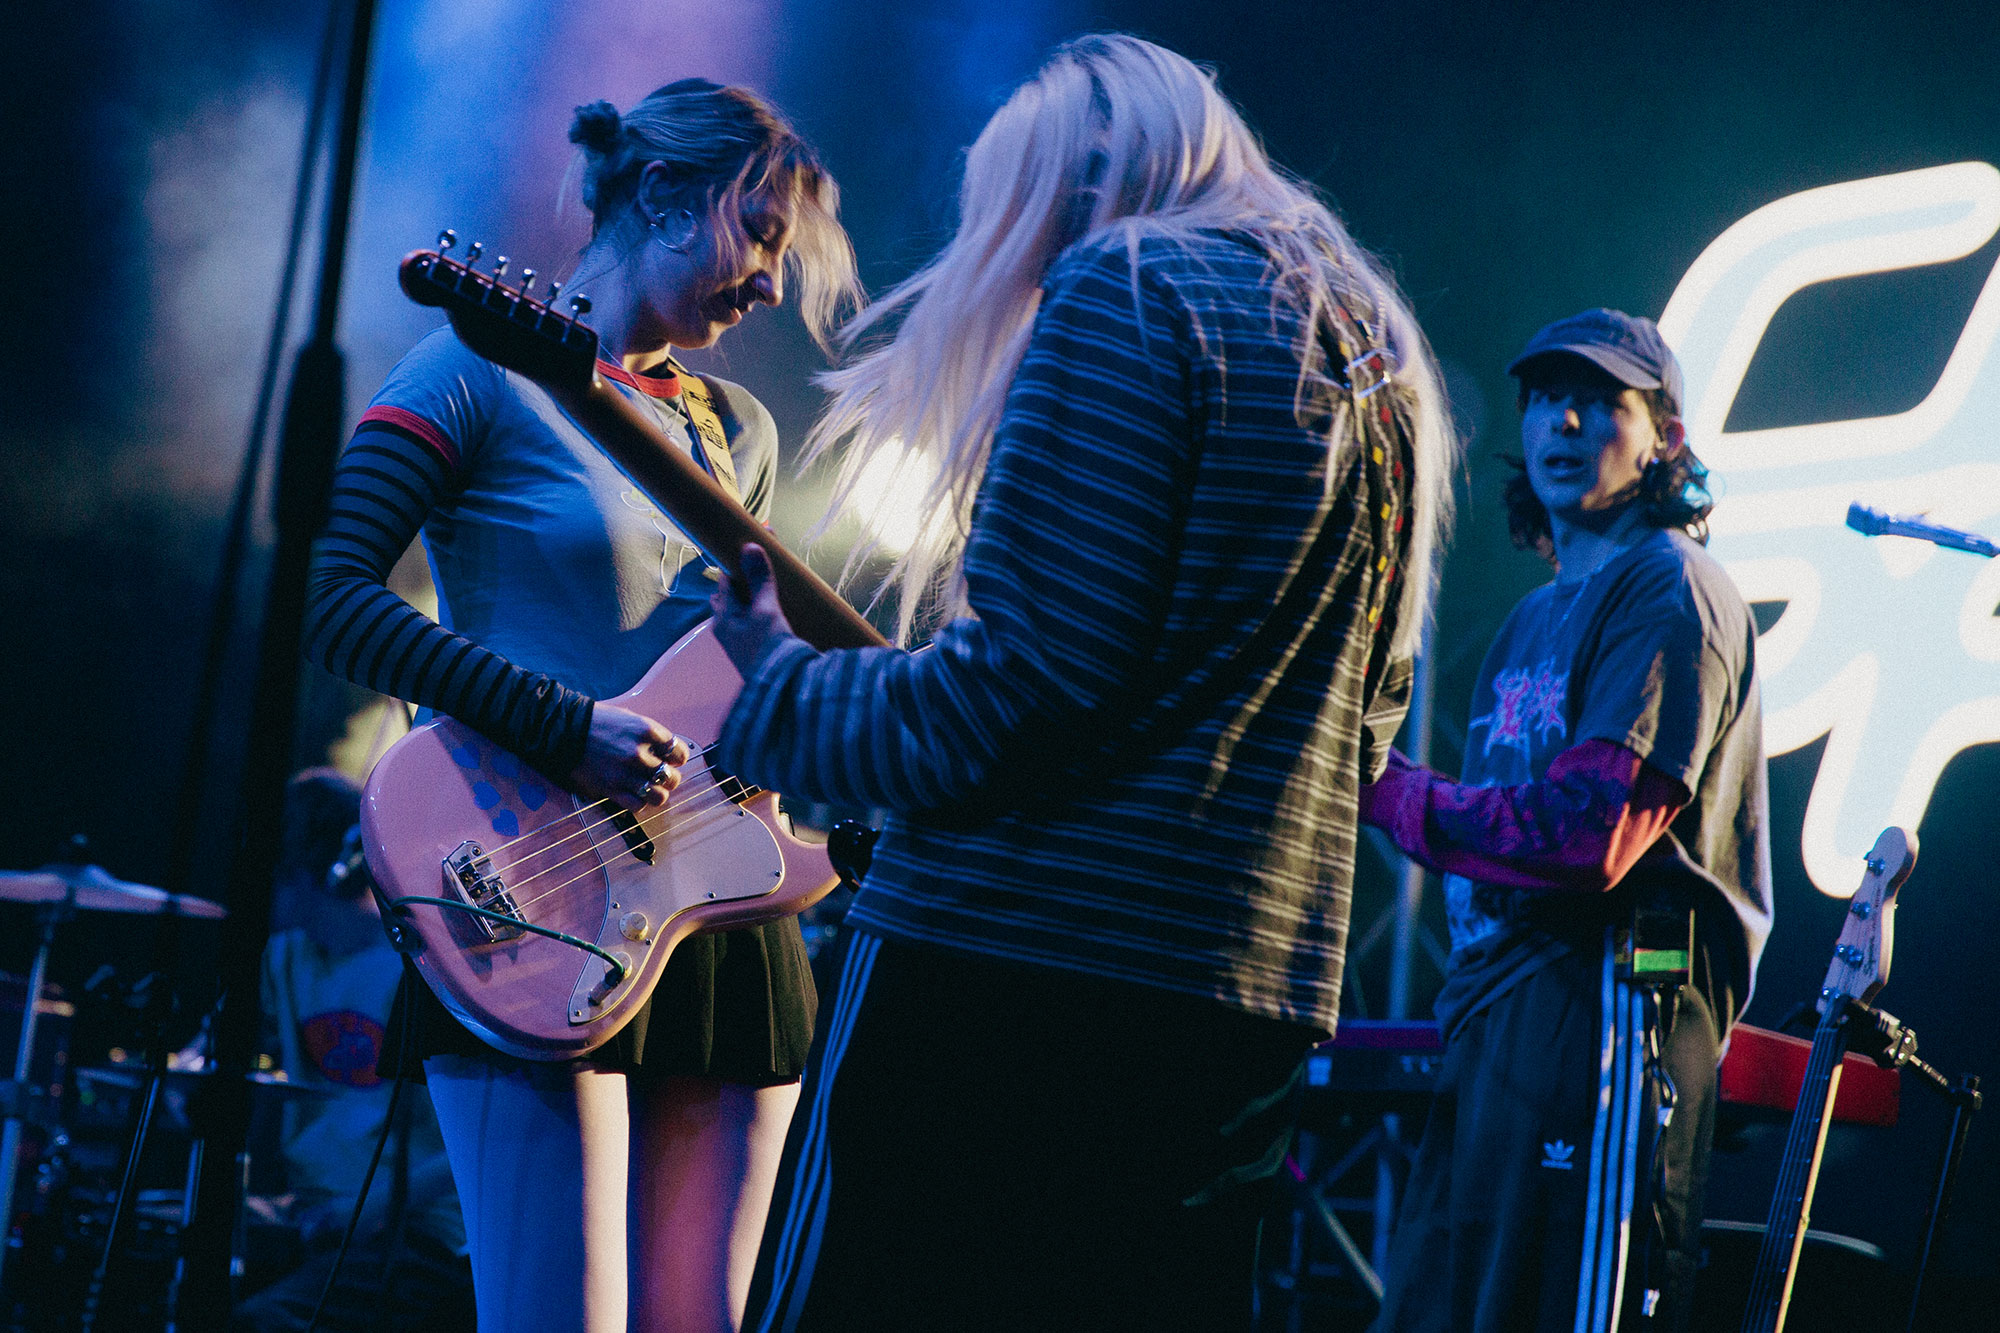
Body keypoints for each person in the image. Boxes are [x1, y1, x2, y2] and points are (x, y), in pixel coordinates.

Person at [706, 35, 1456, 1332]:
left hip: (1004, 979)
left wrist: (772, 691)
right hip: (1242, 998)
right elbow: (1369, 721)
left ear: (1089, 174)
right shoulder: (1374, 348)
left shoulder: (1132, 283)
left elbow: (1015, 690)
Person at [304, 81, 857, 1333]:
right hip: (529, 888)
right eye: (760, 236)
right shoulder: (473, 366)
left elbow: (730, 675)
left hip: (720, 904)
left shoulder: (737, 430)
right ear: (660, 195)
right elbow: (327, 597)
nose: (771, 286)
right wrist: (562, 726)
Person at [1362, 309, 1772, 1332]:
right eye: (1546, 397)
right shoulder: (1527, 619)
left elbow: (1592, 835)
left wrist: (1396, 794)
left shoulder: (1669, 586)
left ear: (1665, 437)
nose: (1564, 420)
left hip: (1608, 1006)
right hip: (1495, 1012)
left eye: (1599, 400)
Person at [233, 769, 469, 1332]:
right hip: (314, 1219)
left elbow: (471, 1151)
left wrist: (364, 1209)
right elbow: (205, 1059)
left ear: (297, 873)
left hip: (416, 1235)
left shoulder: (423, 966)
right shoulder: (284, 958)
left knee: (263, 1323)